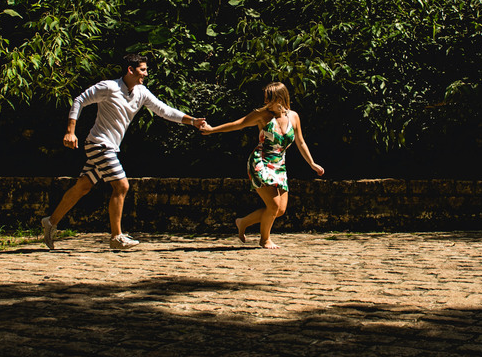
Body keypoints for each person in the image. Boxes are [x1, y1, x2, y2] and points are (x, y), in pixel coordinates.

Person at [41, 54, 206, 250]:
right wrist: (70, 131)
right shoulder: (109, 87)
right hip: (99, 145)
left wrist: (193, 121)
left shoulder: (141, 92)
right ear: (130, 69)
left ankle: (50, 222)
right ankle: (116, 237)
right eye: (142, 69)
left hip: (109, 147)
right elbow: (79, 100)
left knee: (83, 187)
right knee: (121, 186)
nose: (145, 73)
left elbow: (164, 110)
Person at [201, 81, 324, 249]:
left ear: (280, 99)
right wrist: (212, 130)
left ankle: (242, 222)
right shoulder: (261, 115)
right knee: (273, 206)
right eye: (265, 99)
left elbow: (301, 142)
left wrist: (312, 163)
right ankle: (265, 239)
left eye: (269, 99)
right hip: (260, 161)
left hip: (279, 164)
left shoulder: (293, 117)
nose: (266, 102)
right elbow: (238, 124)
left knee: (280, 210)